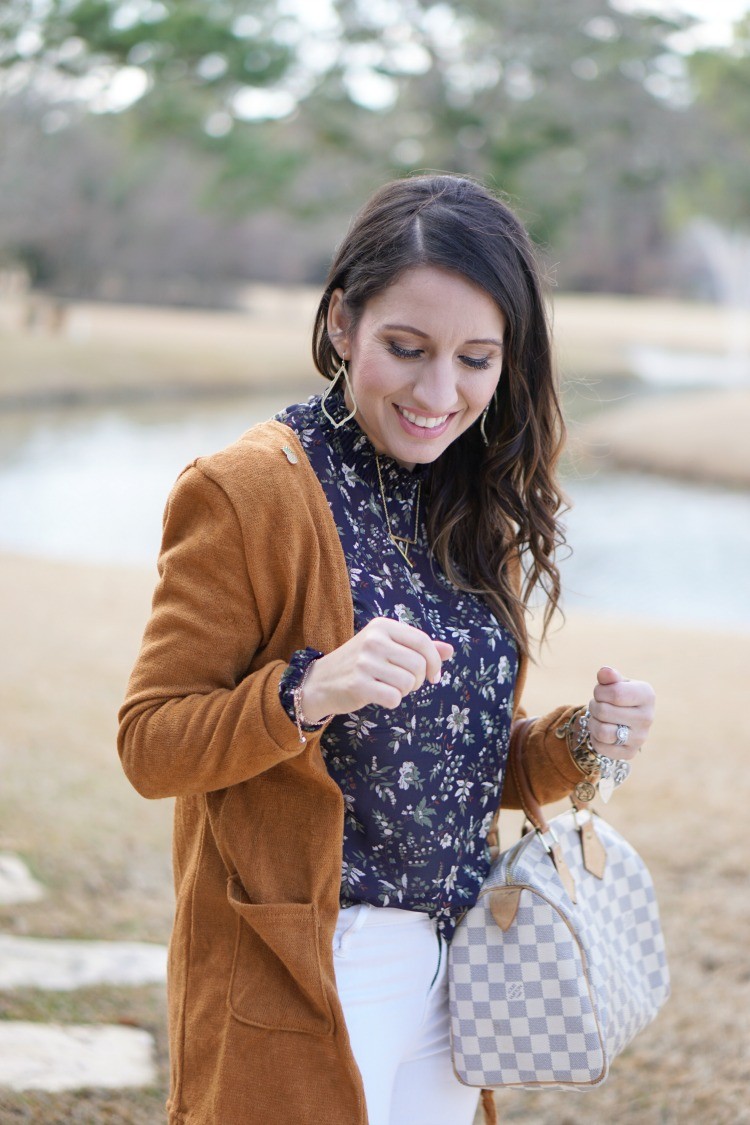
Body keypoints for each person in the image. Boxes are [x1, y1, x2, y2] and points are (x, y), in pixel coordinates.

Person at [118, 173, 655, 1125]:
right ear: (340, 324)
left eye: (477, 359)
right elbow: (151, 743)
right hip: (311, 959)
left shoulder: (467, 499)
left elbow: (448, 766)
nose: (438, 393)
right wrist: (305, 691)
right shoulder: (248, 490)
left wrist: (577, 741)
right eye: (406, 349)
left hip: (459, 965)